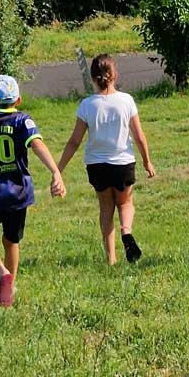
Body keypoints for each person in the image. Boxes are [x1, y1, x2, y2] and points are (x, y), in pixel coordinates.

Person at [0, 74, 66, 307]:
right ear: (18, 100)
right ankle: (11, 287)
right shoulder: (23, 120)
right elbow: (37, 145)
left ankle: (2, 272)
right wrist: (55, 172)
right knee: (11, 241)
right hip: (18, 194)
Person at [56, 54, 156, 265]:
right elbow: (139, 136)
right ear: (115, 75)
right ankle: (126, 231)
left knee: (106, 207)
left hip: (97, 165)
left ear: (93, 78)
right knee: (125, 202)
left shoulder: (87, 105)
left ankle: (111, 258)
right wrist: (147, 161)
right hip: (123, 163)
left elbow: (74, 141)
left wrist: (59, 169)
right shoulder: (126, 100)